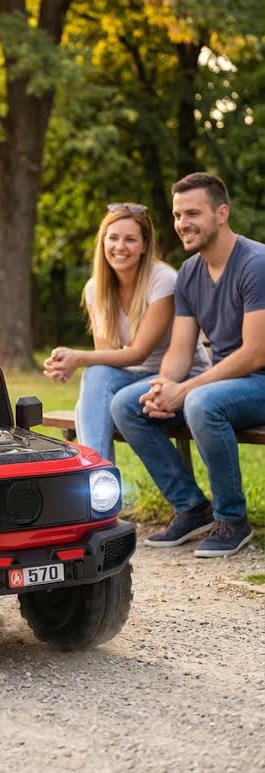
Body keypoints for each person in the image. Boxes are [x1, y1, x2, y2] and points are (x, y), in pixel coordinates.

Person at [111, 173, 265, 558]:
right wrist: (164, 387)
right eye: (178, 215)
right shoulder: (191, 271)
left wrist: (186, 390)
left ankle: (232, 520)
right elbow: (180, 351)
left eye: (192, 213)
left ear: (222, 213)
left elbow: (254, 353)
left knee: (201, 403)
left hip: (259, 379)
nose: (182, 223)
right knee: (127, 404)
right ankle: (192, 507)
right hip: (230, 381)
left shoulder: (256, 264)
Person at [43, 203, 208, 461]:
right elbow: (105, 357)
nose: (120, 247)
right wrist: (71, 362)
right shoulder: (95, 288)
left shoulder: (163, 280)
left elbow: (138, 353)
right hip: (132, 379)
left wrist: (78, 357)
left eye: (130, 239)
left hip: (178, 376)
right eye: (113, 238)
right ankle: (96, 472)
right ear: (103, 242)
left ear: (144, 246)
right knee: (96, 375)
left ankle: (93, 473)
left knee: (95, 401)